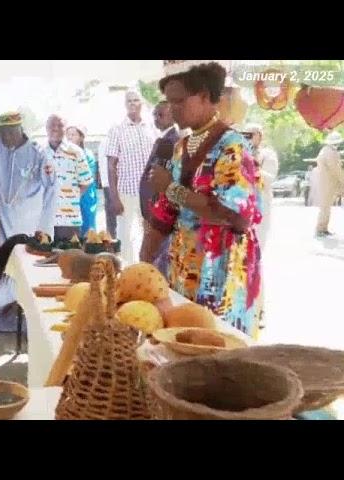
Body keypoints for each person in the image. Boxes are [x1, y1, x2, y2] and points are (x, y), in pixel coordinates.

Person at [147, 61, 263, 338]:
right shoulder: (180, 147)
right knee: (182, 342)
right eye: (169, 101)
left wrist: (171, 188)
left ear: (204, 96)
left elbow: (234, 214)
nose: (172, 108)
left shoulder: (233, 145)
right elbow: (165, 215)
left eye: (179, 101)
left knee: (218, 349)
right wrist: (144, 262)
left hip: (221, 271)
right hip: (182, 270)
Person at [0, 112, 57, 332]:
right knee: (4, 267)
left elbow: (52, 190)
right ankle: (4, 322)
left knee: (29, 269)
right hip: (5, 221)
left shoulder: (38, 153)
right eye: (1, 133)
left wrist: (44, 227)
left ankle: (29, 325)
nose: (5, 138)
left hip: (31, 224)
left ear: (20, 130)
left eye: (9, 133)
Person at [106, 89, 158, 264]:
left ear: (141, 104)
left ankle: (146, 270)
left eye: (136, 100)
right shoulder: (117, 129)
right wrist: (114, 196)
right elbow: (111, 165)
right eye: (129, 101)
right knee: (125, 235)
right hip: (126, 192)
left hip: (149, 192)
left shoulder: (151, 128)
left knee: (149, 233)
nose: (133, 104)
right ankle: (126, 271)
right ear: (125, 105)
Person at [139, 101, 181, 276]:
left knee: (153, 262)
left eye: (161, 114)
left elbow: (163, 179)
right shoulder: (162, 140)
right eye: (154, 114)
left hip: (159, 212)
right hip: (151, 211)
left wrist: (153, 211)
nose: (156, 118)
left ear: (173, 115)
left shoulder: (172, 142)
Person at [44, 114, 92, 240]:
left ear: (65, 129)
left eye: (60, 125)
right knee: (43, 257)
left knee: (69, 257)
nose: (55, 129)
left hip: (70, 221)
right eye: (52, 125)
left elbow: (86, 182)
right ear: (46, 128)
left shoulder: (76, 152)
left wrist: (71, 197)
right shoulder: (39, 154)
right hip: (45, 220)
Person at [240, 123, 279, 250]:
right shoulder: (238, 152)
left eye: (251, 134)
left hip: (261, 201)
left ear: (259, 136)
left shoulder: (268, 154)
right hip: (242, 202)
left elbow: (269, 178)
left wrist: (252, 165)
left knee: (259, 239)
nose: (248, 138)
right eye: (245, 134)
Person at [66, 124, 98, 236]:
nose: (69, 137)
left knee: (87, 231)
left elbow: (87, 178)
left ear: (81, 137)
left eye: (73, 134)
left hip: (86, 197)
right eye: (68, 135)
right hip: (69, 198)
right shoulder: (64, 154)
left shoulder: (87, 155)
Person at [315, 131, 344, 237]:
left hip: (324, 182)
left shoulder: (324, 150)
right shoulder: (332, 153)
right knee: (326, 207)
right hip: (329, 182)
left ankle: (322, 228)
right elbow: (336, 169)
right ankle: (321, 228)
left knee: (325, 206)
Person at [97, 136, 117, 237]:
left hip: (121, 185)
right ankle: (112, 239)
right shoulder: (106, 142)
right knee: (111, 216)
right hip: (109, 185)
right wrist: (106, 183)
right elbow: (104, 165)